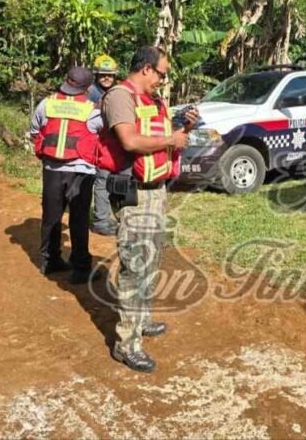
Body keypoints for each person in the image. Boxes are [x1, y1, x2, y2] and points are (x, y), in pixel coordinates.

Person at [98, 46, 198, 373]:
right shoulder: (119, 97)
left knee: (151, 260)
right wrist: (172, 139)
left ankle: (141, 321)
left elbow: (166, 140)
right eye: (161, 74)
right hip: (134, 195)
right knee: (135, 265)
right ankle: (126, 345)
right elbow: (129, 141)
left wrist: (184, 131)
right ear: (145, 69)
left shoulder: (154, 102)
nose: (162, 80)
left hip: (156, 191)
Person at [30, 66, 102, 285]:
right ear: (88, 87)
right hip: (81, 171)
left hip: (51, 169)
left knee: (51, 215)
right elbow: (104, 135)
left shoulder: (46, 103)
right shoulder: (93, 110)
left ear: (66, 82)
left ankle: (49, 261)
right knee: (79, 219)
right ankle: (80, 269)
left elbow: (35, 132)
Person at [89, 54, 119, 237]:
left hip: (111, 145)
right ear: (96, 75)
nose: (107, 78)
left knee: (110, 182)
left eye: (110, 75)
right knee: (102, 183)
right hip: (97, 145)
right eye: (102, 75)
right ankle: (101, 220)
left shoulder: (115, 91)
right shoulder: (91, 93)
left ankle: (106, 217)